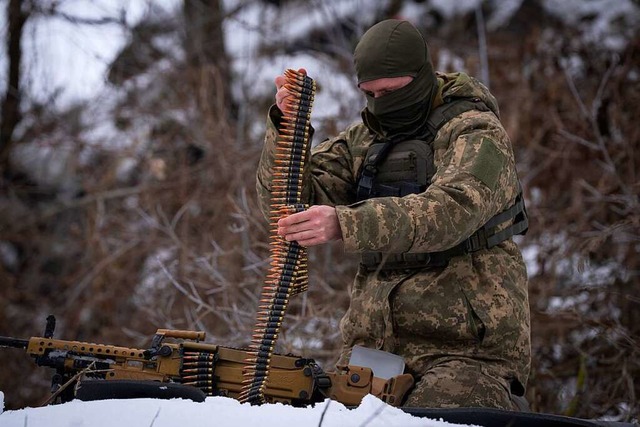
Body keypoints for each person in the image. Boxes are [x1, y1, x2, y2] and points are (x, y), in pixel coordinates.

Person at [256, 19, 530, 410]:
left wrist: (346, 222)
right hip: (373, 350)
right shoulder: (364, 140)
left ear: (421, 77)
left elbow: (454, 209)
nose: (380, 102)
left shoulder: (476, 131)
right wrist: (287, 130)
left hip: (465, 353)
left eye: (390, 91)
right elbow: (286, 204)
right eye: (369, 93)